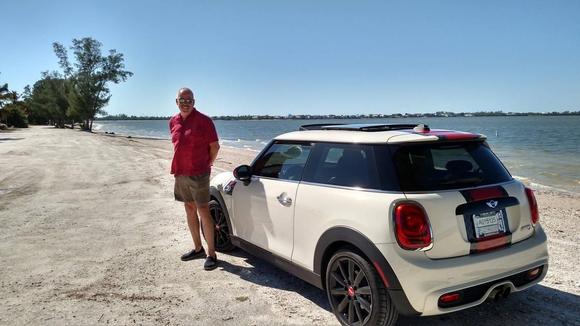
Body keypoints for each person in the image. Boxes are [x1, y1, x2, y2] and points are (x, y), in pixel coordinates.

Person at [169, 87, 220, 270]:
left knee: (203, 210)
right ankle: (198, 248)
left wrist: (208, 164)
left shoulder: (204, 121)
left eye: (189, 100)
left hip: (199, 173)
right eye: (182, 100)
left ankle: (211, 254)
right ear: (176, 102)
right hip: (180, 173)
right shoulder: (173, 121)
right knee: (189, 209)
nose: (185, 103)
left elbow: (215, 147)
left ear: (194, 102)